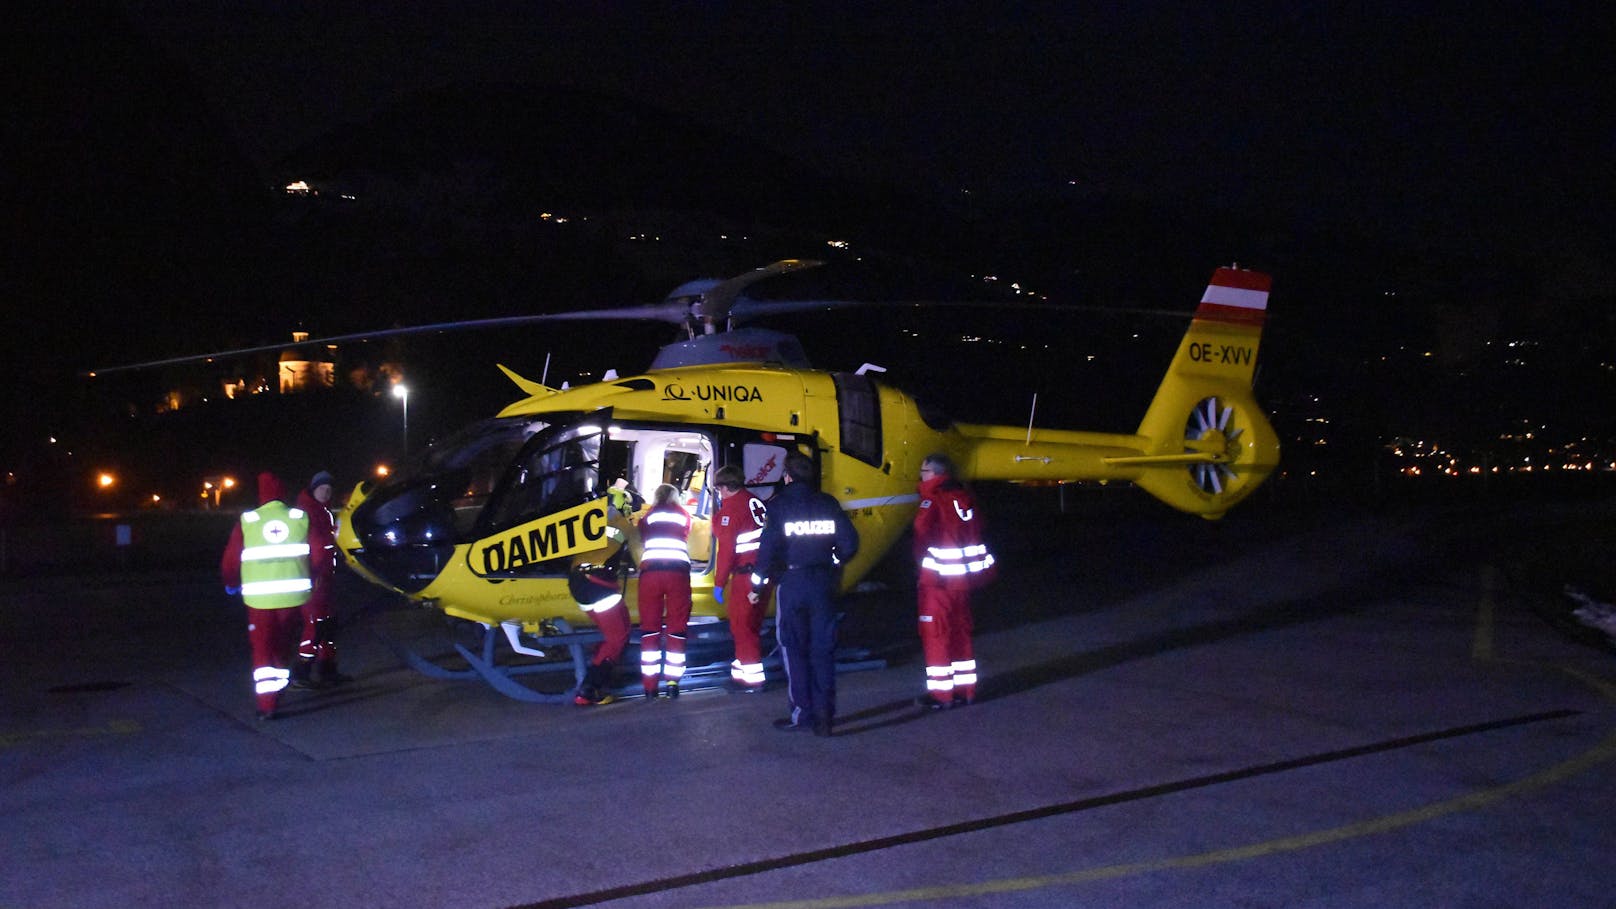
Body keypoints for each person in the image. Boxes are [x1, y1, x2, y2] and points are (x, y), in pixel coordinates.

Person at [750, 452, 858, 736]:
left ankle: (803, 714)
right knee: (823, 650)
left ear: (787, 476)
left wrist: (757, 585)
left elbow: (767, 550)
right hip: (823, 584)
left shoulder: (779, 506)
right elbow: (849, 544)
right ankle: (825, 718)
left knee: (794, 650)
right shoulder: (828, 503)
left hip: (793, 583)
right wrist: (832, 562)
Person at [220, 472, 313, 720]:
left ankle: (267, 704)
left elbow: (231, 558)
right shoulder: (298, 517)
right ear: (283, 493)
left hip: (259, 600)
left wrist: (230, 582)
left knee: (262, 648)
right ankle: (279, 688)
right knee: (282, 645)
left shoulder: (249, 520)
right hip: (292, 597)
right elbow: (316, 554)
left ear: (261, 495)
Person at [912, 452, 996, 709]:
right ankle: (965, 690)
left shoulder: (933, 500)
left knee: (936, 635)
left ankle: (941, 695)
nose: (921, 477)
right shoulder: (966, 498)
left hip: (938, 583)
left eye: (923, 473)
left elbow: (920, 534)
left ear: (936, 474)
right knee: (961, 633)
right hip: (964, 582)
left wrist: (921, 567)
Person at [710, 464, 771, 692]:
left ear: (724, 487)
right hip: (763, 573)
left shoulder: (730, 511)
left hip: (745, 575)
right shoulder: (755, 501)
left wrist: (719, 583)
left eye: (719, 488)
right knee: (751, 625)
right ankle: (740, 675)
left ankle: (754, 680)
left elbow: (726, 552)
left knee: (741, 626)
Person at [571, 502, 633, 706]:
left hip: (579, 582)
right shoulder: (624, 525)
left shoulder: (595, 520)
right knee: (618, 637)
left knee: (619, 630)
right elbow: (638, 552)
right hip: (599, 585)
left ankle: (600, 665)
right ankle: (589, 688)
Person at [292, 470, 349, 687]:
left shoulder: (325, 512)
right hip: (313, 579)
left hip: (326, 579)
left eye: (329, 490)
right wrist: (311, 572)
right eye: (322, 489)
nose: (326, 493)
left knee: (330, 624)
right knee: (315, 625)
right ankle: (301, 671)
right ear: (313, 489)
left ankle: (328, 668)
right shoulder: (304, 512)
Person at [636, 483, 693, 699]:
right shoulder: (683, 514)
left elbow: (642, 534)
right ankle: (672, 683)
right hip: (677, 574)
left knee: (649, 630)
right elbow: (686, 533)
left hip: (651, 574)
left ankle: (650, 687)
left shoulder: (649, 515)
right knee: (676, 628)